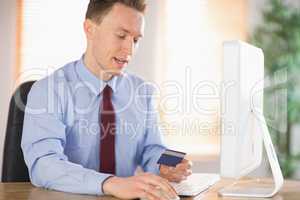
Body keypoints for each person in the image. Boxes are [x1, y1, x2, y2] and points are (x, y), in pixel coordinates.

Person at [21, 0, 192, 199]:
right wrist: (109, 184)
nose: (129, 50)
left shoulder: (142, 91)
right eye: (121, 36)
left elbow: (151, 149)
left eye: (136, 40)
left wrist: (167, 164)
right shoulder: (49, 91)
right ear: (90, 29)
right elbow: (44, 165)